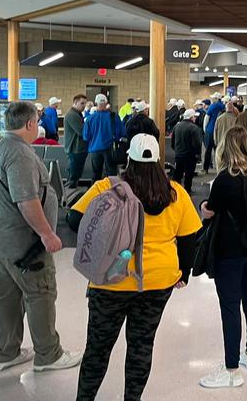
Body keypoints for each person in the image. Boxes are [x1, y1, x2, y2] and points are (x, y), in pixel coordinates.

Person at [68, 134, 201, 401]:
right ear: (158, 159)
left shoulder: (107, 187)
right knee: (141, 345)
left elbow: (74, 218)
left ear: (128, 158)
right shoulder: (175, 193)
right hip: (158, 281)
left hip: (110, 279)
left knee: (98, 347)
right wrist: (182, 274)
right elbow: (190, 239)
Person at [0, 101, 82, 373]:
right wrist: (47, 234)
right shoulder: (19, 154)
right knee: (40, 294)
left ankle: (6, 352)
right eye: (37, 120)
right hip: (24, 246)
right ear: (30, 124)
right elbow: (26, 200)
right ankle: (49, 355)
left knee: (7, 298)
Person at [198, 127, 247, 389]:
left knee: (230, 305)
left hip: (229, 250)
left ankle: (231, 370)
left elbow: (211, 211)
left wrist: (204, 207)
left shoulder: (226, 178)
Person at [83, 94, 126, 182]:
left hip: (95, 149)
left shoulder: (90, 119)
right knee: (111, 175)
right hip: (110, 149)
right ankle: (112, 193)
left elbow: (85, 137)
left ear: (95, 103)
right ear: (106, 103)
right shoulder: (114, 117)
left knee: (96, 174)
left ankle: (96, 193)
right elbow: (123, 133)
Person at [172, 110, 204, 194]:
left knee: (178, 174)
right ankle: (187, 190)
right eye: (194, 117)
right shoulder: (194, 128)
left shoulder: (176, 126)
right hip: (190, 156)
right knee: (189, 175)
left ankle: (175, 190)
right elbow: (197, 144)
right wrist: (197, 155)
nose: (195, 118)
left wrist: (176, 150)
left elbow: (173, 142)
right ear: (191, 117)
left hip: (179, 155)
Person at [64, 95, 89, 189]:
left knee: (76, 175)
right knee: (73, 176)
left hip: (78, 149)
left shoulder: (77, 114)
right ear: (75, 103)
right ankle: (68, 195)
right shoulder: (72, 115)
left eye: (85, 103)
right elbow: (81, 131)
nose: (84, 105)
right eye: (82, 103)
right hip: (75, 149)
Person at [203, 93, 227, 174]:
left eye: (214, 98)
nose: (212, 99)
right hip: (220, 131)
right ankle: (219, 168)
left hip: (210, 130)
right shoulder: (223, 106)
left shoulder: (213, 106)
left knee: (208, 150)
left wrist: (205, 129)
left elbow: (207, 118)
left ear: (217, 98)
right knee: (218, 151)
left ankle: (205, 168)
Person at [214, 100, 240, 169]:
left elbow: (215, 132)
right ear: (233, 108)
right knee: (231, 162)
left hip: (221, 143)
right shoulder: (236, 119)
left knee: (221, 161)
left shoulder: (219, 119)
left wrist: (216, 142)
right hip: (232, 144)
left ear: (226, 108)